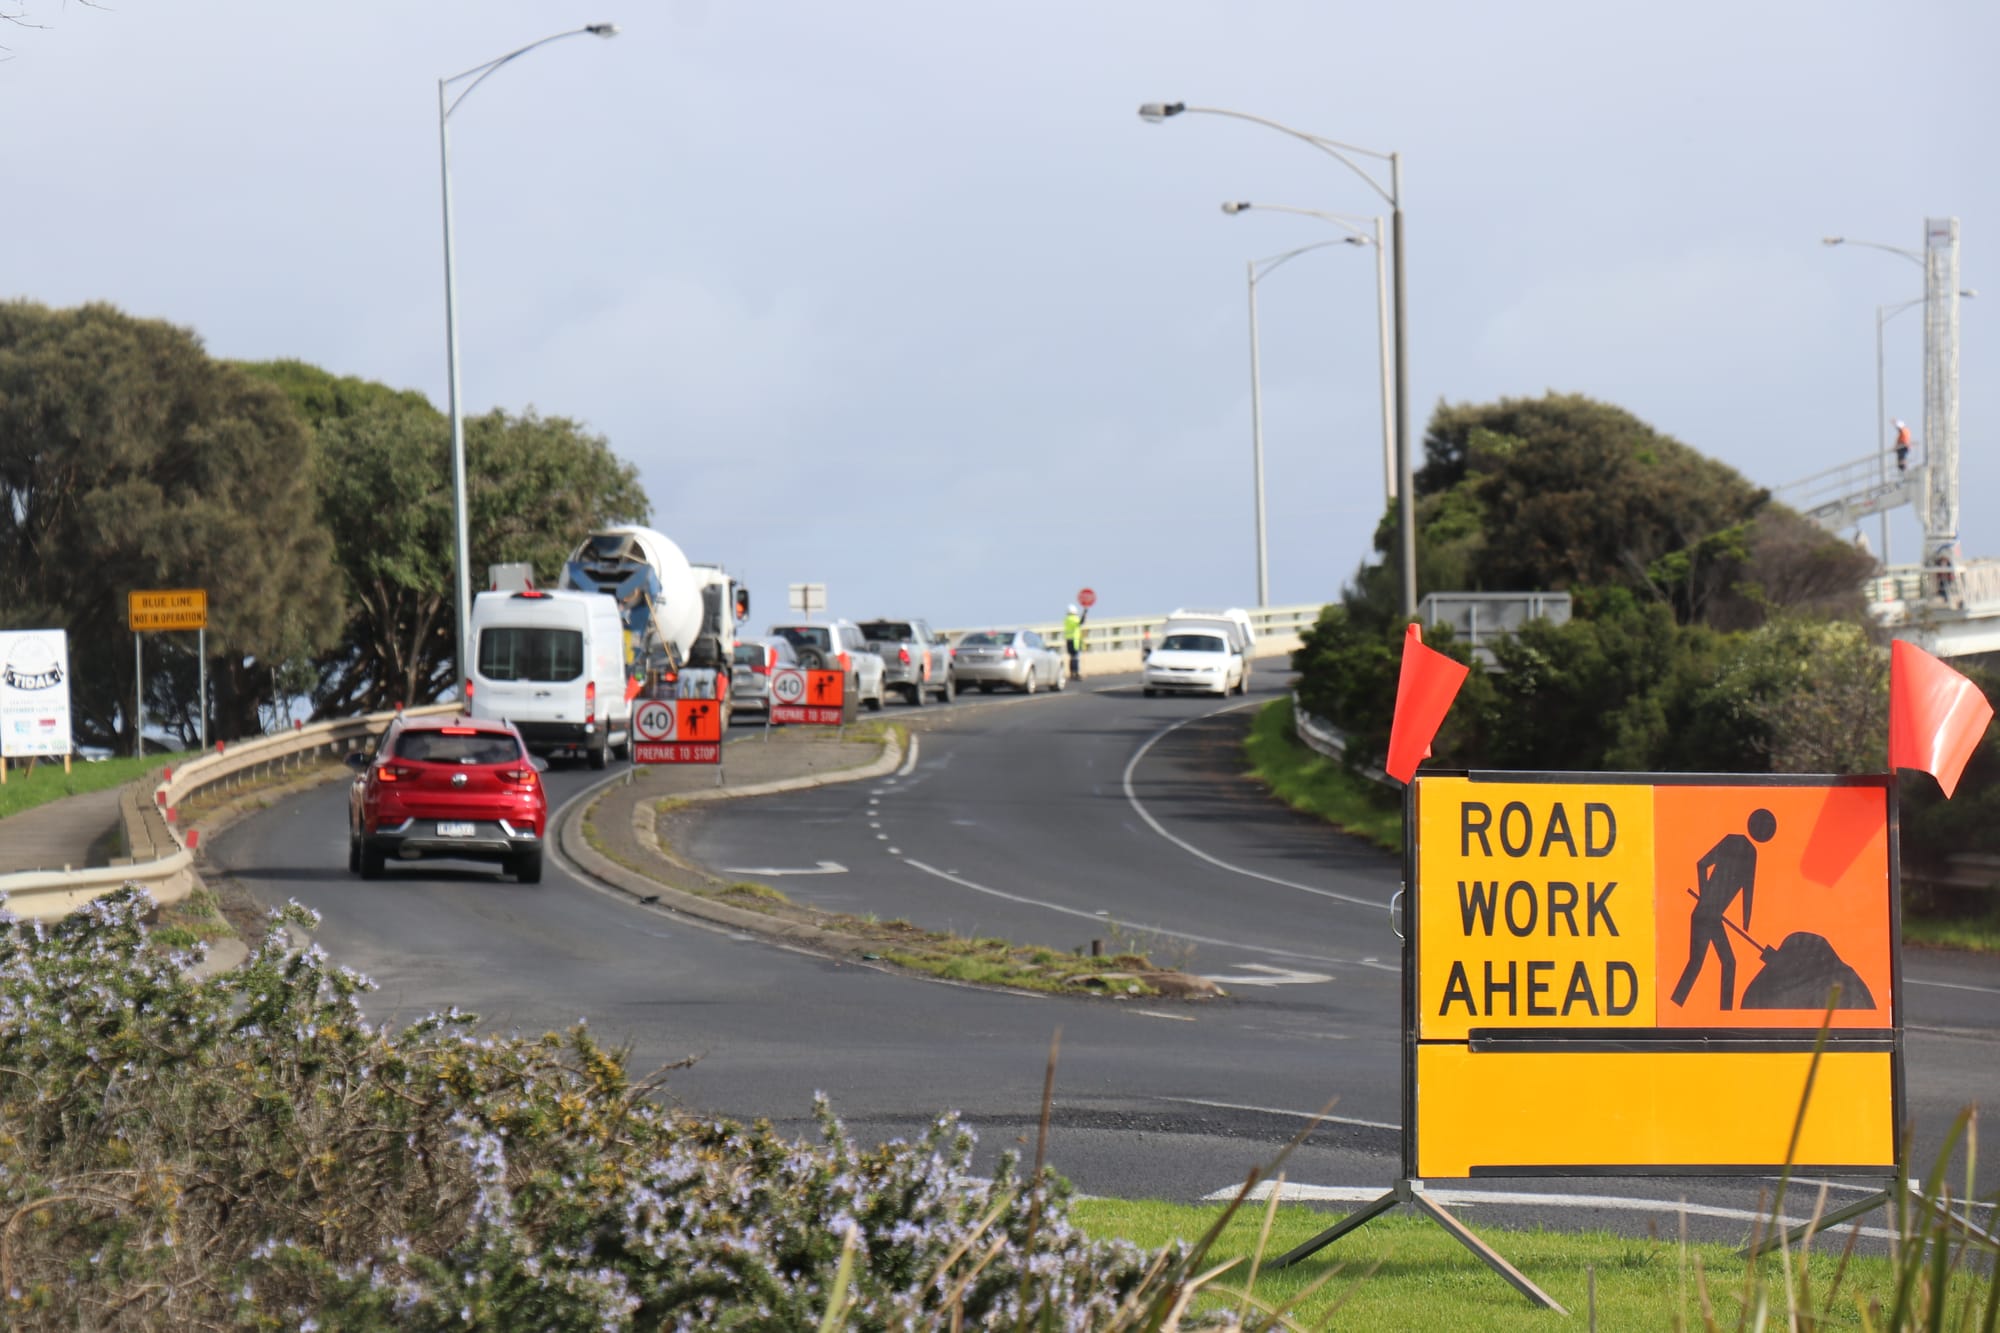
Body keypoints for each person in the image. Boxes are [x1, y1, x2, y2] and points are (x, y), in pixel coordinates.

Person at [1671, 808, 1776, 1011]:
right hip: (1705, 915)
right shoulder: (1734, 842)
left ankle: (1713, 1009)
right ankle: (1686, 1005)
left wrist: (1746, 923)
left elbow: (1748, 890)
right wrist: (1706, 898)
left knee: (1719, 963)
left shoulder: (1747, 850)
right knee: (1706, 963)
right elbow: (1702, 864)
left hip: (1711, 916)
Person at [1062, 603, 1087, 680]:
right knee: (1076, 657)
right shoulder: (1074, 618)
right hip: (1075, 640)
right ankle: (1076, 673)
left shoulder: (1066, 619)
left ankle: (1072, 673)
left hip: (1068, 640)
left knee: (1072, 657)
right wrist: (1084, 613)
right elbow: (1081, 622)